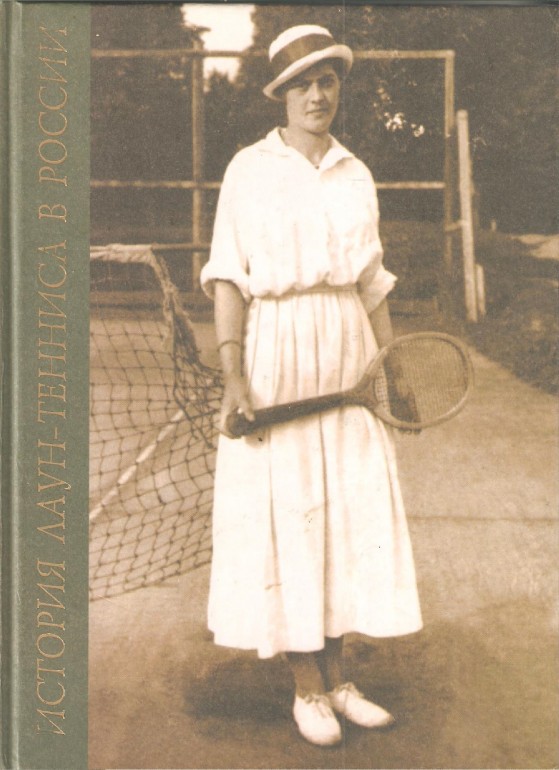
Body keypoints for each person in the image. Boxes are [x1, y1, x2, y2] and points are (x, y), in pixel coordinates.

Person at [200, 24, 422, 747]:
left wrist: (393, 368)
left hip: (349, 354)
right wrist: (234, 374)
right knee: (291, 517)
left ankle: (340, 680)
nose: (316, 95)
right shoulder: (248, 169)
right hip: (278, 352)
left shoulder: (356, 173)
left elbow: (370, 282)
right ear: (281, 95)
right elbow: (228, 277)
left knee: (344, 520)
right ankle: (306, 689)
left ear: (338, 88)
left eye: (327, 81)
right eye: (302, 84)